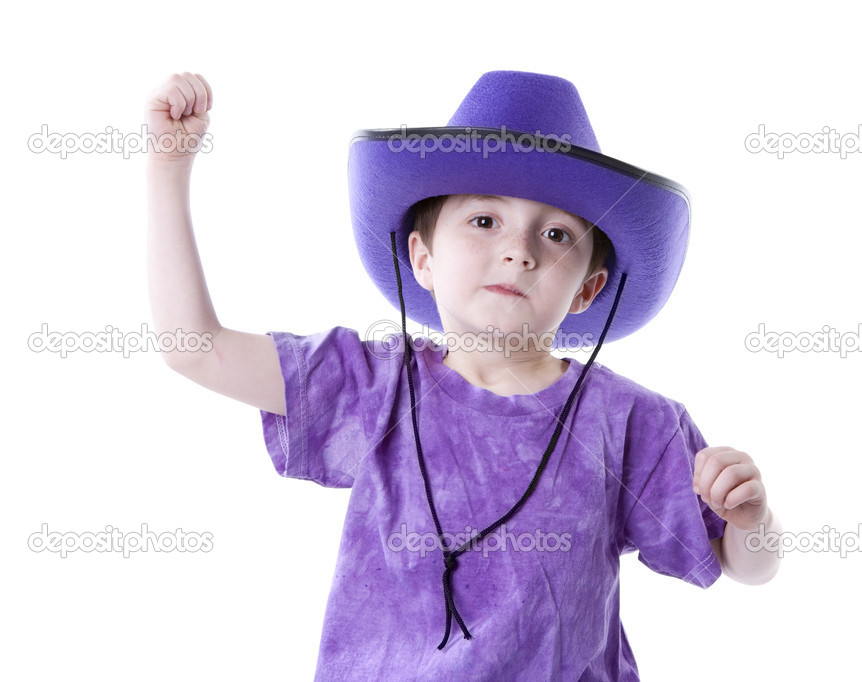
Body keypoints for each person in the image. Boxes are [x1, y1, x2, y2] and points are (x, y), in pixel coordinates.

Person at [145, 69, 782, 681]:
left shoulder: (632, 423)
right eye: (484, 221)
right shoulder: (373, 386)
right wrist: (169, 169)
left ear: (588, 289)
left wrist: (752, 521)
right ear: (422, 259)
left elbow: (741, 564)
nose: (519, 250)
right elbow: (194, 348)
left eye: (556, 234)